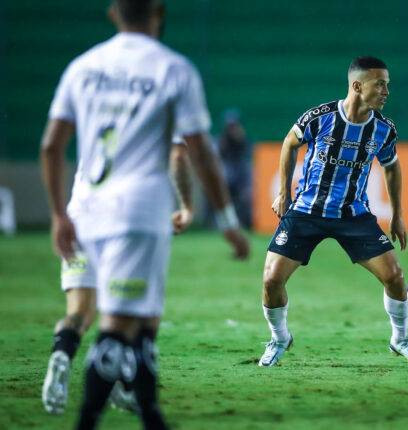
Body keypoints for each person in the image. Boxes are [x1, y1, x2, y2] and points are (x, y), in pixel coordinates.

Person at [39, 1, 248, 428]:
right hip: (135, 213)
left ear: (113, 12)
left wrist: (59, 215)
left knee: (138, 316)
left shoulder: (83, 66)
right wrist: (224, 219)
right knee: (119, 326)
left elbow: (50, 146)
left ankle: (151, 413)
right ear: (159, 11)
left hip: (83, 209)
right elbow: (196, 151)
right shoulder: (173, 69)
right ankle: (88, 419)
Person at [41, 143, 248, 416]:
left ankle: (62, 353)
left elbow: (52, 146)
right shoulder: (156, 101)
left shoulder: (91, 99)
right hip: (125, 222)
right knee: (132, 319)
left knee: (79, 311)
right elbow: (179, 154)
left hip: (82, 216)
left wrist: (58, 215)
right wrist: (187, 205)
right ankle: (128, 390)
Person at [259, 56, 408, 368]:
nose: (386, 91)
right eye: (379, 84)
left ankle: (400, 339)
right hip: (307, 211)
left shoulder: (384, 130)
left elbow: (391, 167)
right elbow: (289, 143)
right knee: (271, 279)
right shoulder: (320, 117)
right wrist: (284, 191)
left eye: (387, 85)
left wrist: (398, 213)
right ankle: (279, 338)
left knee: (394, 276)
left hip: (353, 215)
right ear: (357, 86)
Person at [214, 109, 253, 229]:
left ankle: (245, 222)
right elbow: (221, 155)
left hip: (240, 172)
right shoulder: (222, 139)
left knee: (246, 195)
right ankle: (222, 224)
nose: (232, 128)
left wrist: (239, 138)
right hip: (228, 172)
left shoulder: (242, 138)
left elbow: (246, 153)